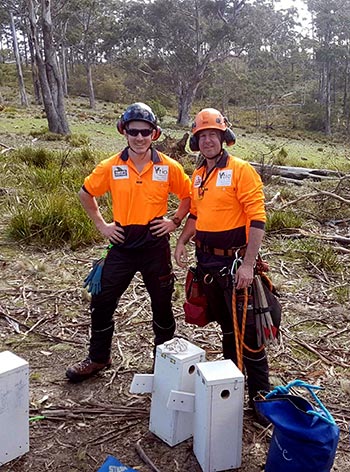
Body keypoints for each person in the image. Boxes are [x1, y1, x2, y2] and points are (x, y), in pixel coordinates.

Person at [66, 102, 191, 382]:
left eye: (145, 132)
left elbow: (189, 195)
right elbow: (86, 194)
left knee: (161, 304)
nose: (139, 137)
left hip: (154, 244)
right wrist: (102, 225)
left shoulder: (168, 167)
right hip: (121, 244)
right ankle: (99, 358)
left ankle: (165, 363)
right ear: (124, 131)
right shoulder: (110, 166)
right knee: (102, 300)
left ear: (154, 134)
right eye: (133, 131)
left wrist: (174, 221)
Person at [174, 108, 270, 424]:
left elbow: (257, 219)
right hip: (207, 263)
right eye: (202, 136)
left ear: (224, 137)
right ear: (196, 141)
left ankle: (260, 396)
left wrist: (248, 265)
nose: (208, 140)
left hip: (235, 263)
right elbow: (196, 215)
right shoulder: (198, 175)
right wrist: (182, 241)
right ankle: (231, 382)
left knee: (249, 330)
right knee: (226, 327)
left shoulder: (242, 171)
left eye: (213, 134)